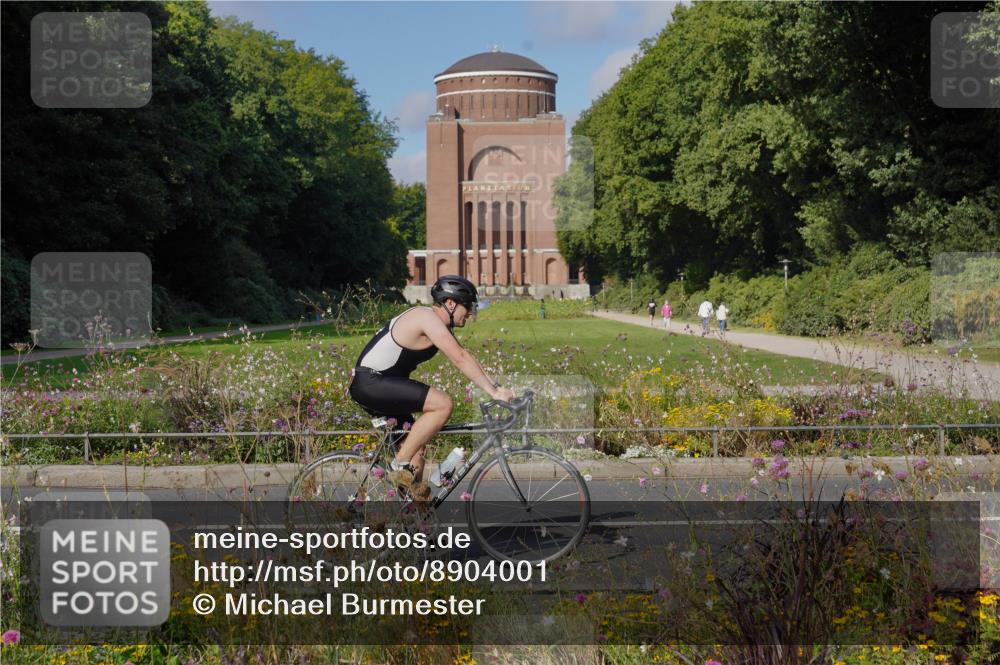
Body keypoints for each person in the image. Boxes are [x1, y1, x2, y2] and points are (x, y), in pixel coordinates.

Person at [348, 275, 515, 500]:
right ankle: (398, 466)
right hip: (371, 383)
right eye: (467, 306)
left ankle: (413, 520)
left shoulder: (435, 322)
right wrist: (494, 393)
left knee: (417, 450)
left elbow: (466, 357)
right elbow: (460, 357)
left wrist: (497, 387)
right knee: (442, 404)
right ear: (450, 303)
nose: (470, 313)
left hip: (378, 384)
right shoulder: (425, 318)